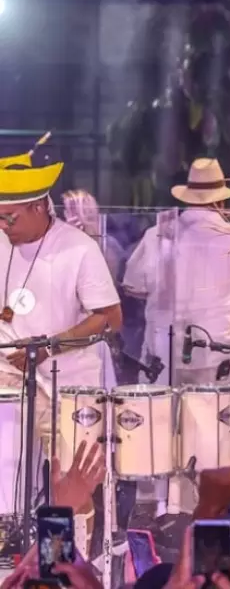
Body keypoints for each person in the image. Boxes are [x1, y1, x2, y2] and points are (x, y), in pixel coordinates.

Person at [122, 157, 230, 521]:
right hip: (218, 357)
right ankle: (205, 513)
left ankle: (155, 513)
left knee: (161, 432)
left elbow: (133, 286)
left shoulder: (158, 236)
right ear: (222, 200)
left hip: (162, 357)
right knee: (211, 435)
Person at [0, 154, 122, 559]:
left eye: (10, 218)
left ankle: (68, 568)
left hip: (65, 377)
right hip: (9, 374)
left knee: (67, 477)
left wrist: (48, 346)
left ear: (39, 207)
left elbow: (109, 318)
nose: (3, 226)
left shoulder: (78, 249)